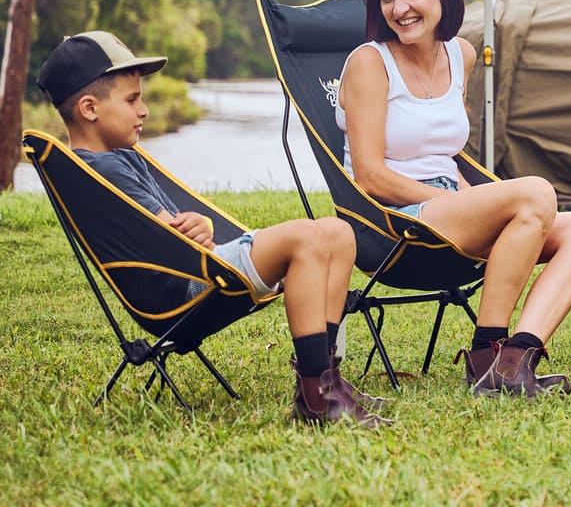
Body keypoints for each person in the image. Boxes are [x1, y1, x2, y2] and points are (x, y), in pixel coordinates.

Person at [37, 31, 388, 428]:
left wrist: (199, 226)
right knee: (309, 238)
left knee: (338, 233)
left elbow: (165, 229)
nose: (144, 110)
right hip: (188, 287)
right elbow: (167, 236)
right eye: (132, 100)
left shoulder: (116, 158)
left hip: (194, 271)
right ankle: (317, 398)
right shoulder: (103, 169)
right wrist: (200, 227)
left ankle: (327, 380)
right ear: (89, 108)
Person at [335, 0, 571, 398]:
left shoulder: (460, 54)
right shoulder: (370, 63)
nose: (399, 8)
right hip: (396, 222)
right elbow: (370, 176)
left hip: (449, 212)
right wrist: (456, 200)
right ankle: (486, 353)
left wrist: (469, 197)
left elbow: (444, 150)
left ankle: (517, 359)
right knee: (536, 192)